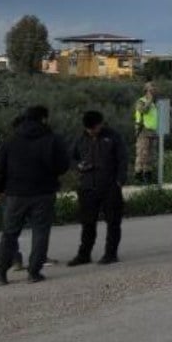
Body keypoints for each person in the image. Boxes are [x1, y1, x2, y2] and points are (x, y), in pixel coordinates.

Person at [0, 105, 70, 285]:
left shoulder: (11, 141)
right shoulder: (52, 139)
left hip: (15, 194)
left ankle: (0, 275)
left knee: (9, 234)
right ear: (43, 118)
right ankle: (34, 273)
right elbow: (63, 165)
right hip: (43, 192)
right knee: (40, 232)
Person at [68, 111, 128, 266]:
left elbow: (123, 159)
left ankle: (110, 254)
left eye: (94, 128)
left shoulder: (113, 136)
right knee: (87, 223)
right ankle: (84, 255)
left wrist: (120, 181)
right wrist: (78, 166)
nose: (92, 132)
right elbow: (71, 158)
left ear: (101, 124)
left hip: (110, 186)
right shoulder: (81, 139)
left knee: (113, 221)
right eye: (89, 129)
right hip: (87, 186)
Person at [133, 82, 159, 185]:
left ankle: (148, 176)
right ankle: (138, 175)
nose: (153, 92)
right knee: (142, 154)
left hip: (153, 132)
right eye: (151, 90)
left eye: (154, 90)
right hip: (143, 130)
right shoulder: (141, 101)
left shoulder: (154, 103)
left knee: (151, 155)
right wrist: (149, 101)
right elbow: (143, 111)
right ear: (146, 91)